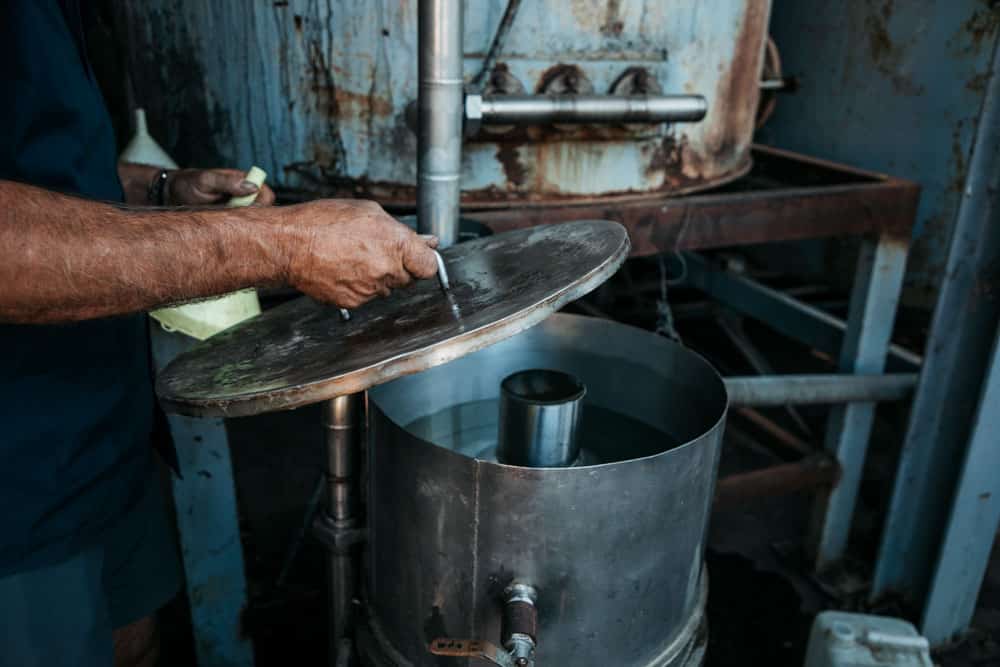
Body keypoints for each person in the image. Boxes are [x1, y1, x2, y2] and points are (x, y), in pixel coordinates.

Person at [0, 3, 438, 666]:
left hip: (103, 432)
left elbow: (34, 159)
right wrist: (280, 243)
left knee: (133, 642)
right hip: (17, 488)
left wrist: (160, 190)